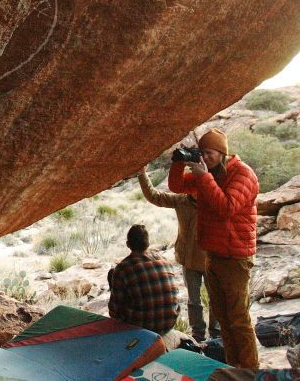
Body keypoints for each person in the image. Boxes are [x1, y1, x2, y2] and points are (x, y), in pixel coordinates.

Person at [168, 128, 260, 369]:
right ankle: (234, 367)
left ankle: (251, 371)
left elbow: (227, 207)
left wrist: (203, 177)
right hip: (213, 255)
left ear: (222, 152)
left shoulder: (243, 174)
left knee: (238, 319)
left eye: (209, 153)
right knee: (224, 319)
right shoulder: (210, 173)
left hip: (235, 257)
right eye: (202, 153)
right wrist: (179, 162)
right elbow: (176, 186)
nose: (205, 158)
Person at [137, 167, 220, 342]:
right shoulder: (182, 201)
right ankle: (199, 335)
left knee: (215, 299)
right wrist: (142, 174)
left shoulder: (214, 201)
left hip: (211, 258)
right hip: (189, 259)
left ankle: (216, 334)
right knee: (194, 301)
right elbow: (155, 197)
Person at [108, 224, 180, 335]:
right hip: (168, 323)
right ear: (148, 243)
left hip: (142, 326)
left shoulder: (123, 268)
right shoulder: (164, 261)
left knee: (112, 275)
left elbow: (114, 310)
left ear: (128, 244)